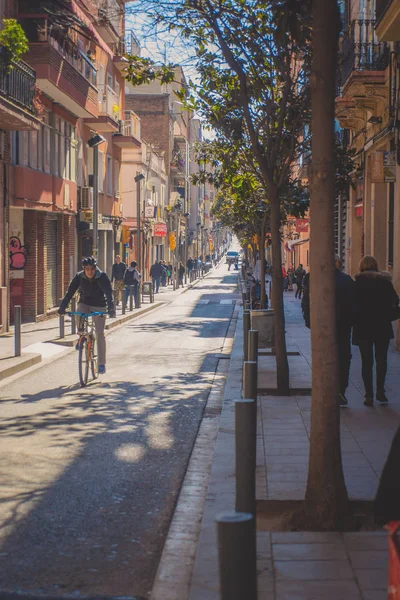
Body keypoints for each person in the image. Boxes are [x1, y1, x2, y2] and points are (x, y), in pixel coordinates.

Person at [301, 255, 355, 406]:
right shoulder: (347, 280)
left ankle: (324, 389)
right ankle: (340, 391)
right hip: (343, 326)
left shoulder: (312, 278)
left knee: (322, 356)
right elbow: (354, 305)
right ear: (337, 263)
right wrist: (351, 322)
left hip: (321, 325)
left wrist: (309, 322)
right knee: (343, 358)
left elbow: (306, 302)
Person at [353, 255, 399, 407]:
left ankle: (368, 395)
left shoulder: (357, 284)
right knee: (381, 360)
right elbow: (395, 301)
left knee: (366, 362)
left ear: (361, 266)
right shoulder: (385, 283)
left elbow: (352, 305)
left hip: (363, 327)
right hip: (382, 326)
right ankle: (381, 391)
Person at [58, 256, 115, 375]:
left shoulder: (102, 277)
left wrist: (111, 309)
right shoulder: (79, 277)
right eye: (87, 269)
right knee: (78, 313)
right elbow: (70, 293)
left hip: (99, 305)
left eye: (92, 269)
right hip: (85, 303)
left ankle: (101, 364)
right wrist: (62, 307)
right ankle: (81, 336)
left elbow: (109, 294)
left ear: (95, 268)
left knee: (99, 333)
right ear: (84, 269)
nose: (90, 272)